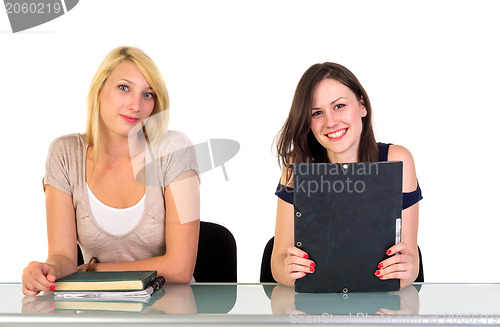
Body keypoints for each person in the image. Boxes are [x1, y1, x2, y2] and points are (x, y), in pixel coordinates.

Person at [22, 46, 200, 296]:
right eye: (124, 88)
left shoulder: (175, 149)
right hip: (98, 307)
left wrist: (94, 271)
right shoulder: (65, 153)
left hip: (169, 307)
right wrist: (47, 270)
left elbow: (180, 269)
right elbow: (63, 257)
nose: (135, 105)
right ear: (99, 90)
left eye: (148, 95)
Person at [271, 62, 422, 289]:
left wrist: (406, 269)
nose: (330, 122)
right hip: (315, 313)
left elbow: (412, 262)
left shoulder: (396, 159)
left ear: (362, 106)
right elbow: (277, 263)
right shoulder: (297, 164)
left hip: (381, 312)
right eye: (317, 113)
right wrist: (288, 270)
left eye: (339, 106)